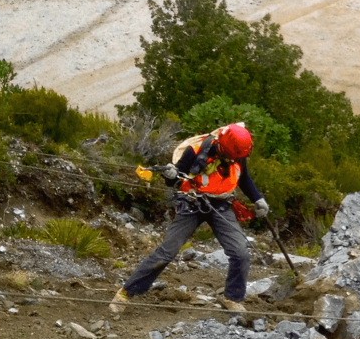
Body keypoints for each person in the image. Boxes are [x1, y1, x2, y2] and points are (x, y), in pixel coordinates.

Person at [109, 123, 269, 315]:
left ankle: (233, 298)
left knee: (240, 252)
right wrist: (170, 175)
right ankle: (126, 292)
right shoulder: (195, 151)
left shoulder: (238, 154)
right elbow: (175, 178)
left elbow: (244, 179)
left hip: (220, 204)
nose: (234, 159)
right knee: (167, 252)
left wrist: (258, 199)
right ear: (223, 147)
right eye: (232, 156)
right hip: (192, 203)